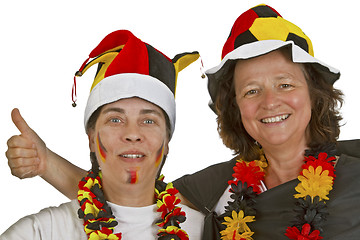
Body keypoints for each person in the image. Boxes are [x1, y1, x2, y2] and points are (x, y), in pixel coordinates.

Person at [5, 4, 360, 240]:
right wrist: (46, 163)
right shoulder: (218, 186)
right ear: (235, 107)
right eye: (251, 91)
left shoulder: (356, 173)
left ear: (314, 93)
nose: (270, 102)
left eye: (285, 84)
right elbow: (124, 203)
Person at [1, 29, 204, 239]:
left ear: (167, 140)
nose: (133, 134)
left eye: (148, 120)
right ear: (91, 138)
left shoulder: (206, 232)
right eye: (115, 120)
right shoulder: (44, 231)